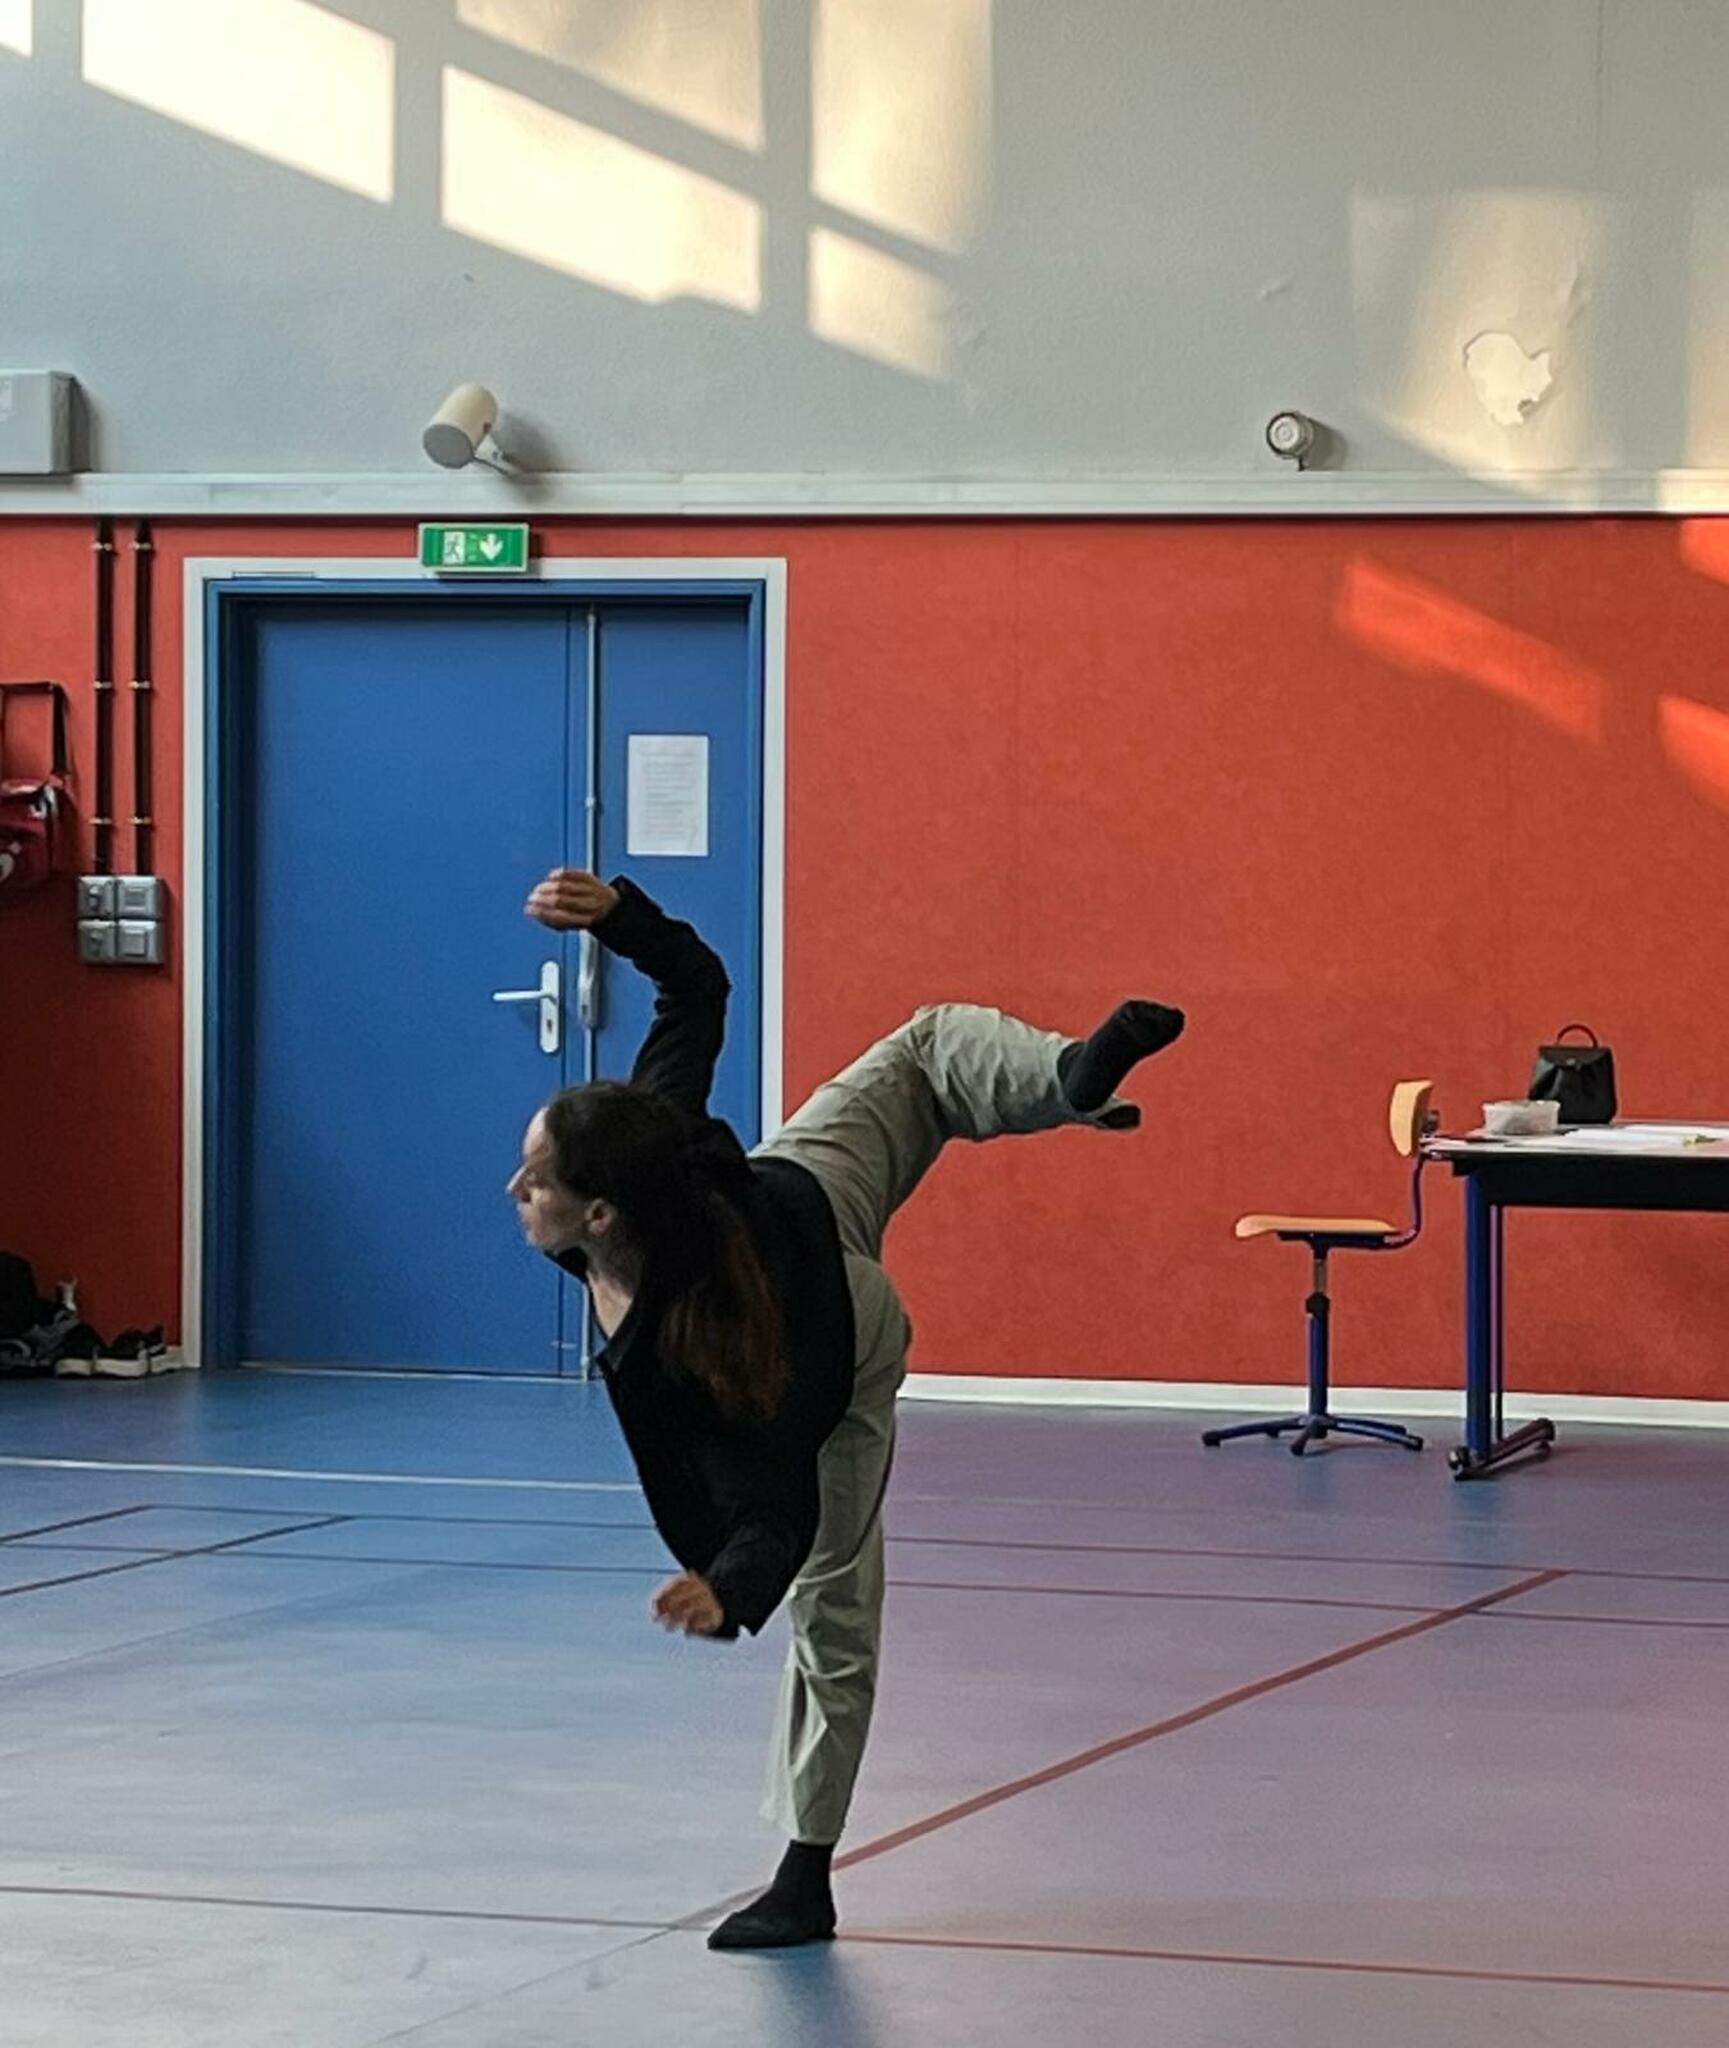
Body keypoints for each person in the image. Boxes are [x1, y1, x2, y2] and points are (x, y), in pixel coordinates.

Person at [510, 869, 1185, 1950]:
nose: (515, 1189)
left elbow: (774, 1497)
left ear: (600, 1212)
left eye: (534, 1177)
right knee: (923, 1054)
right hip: (802, 1211)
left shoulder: (698, 1319)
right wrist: (626, 921)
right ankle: (1064, 1083)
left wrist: (729, 1591)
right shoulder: (658, 1189)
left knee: (834, 1603)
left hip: (840, 1316)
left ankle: (803, 1881)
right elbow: (698, 986)